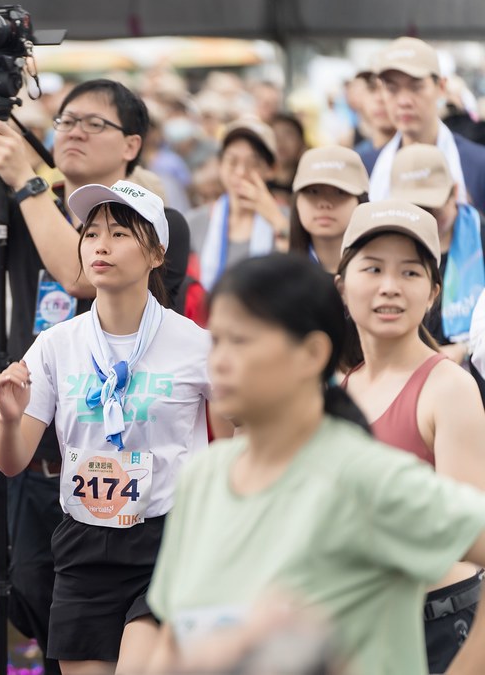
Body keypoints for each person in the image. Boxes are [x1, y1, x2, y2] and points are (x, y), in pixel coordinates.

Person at [0, 49, 193, 673]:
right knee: (45, 611)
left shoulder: (152, 222)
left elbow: (78, 275)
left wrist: (30, 183)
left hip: (141, 488)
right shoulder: (22, 209)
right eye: (63, 119)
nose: (70, 130)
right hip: (43, 464)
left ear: (131, 144)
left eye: (91, 123)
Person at [145, 252, 485, 675]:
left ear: (312, 353)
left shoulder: (364, 476)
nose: (221, 362)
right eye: (217, 341)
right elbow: (173, 640)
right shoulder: (203, 476)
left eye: (243, 341)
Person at [0, 180, 227, 673]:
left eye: (120, 233)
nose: (100, 244)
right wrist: (9, 420)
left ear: (156, 254)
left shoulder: (197, 345)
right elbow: (10, 462)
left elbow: (229, 451)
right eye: (91, 232)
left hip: (170, 540)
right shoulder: (56, 345)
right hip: (82, 543)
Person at [336, 199, 485, 671]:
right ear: (342, 286)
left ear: (434, 292)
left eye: (410, 273)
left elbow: (472, 537)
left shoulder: (450, 388)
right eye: (373, 268)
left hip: (441, 626)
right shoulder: (342, 389)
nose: (389, 288)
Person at [388, 143, 485, 399]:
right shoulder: (389, 249)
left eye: (433, 205)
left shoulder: (480, 237)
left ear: (454, 192)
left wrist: (463, 348)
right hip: (413, 386)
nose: (427, 216)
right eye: (417, 206)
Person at [368, 36, 485, 214]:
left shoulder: (477, 166)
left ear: (442, 87)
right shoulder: (368, 167)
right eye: (392, 88)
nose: (404, 101)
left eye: (416, 87)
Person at [186, 117, 288, 291]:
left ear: (272, 169)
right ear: (220, 165)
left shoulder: (288, 219)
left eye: (253, 163)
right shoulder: (194, 221)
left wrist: (275, 218)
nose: (240, 172)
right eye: (232, 162)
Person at [287, 145, 369, 273]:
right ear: (296, 201)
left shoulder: (376, 274)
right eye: (313, 191)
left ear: (361, 201)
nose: (324, 203)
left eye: (340, 192)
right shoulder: (280, 274)